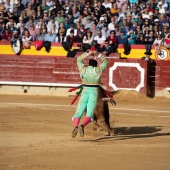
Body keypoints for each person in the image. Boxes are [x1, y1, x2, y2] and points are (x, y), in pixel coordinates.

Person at [71, 50, 109, 138]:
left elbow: (79, 59)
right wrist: (98, 54)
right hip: (94, 93)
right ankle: (82, 126)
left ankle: (76, 126)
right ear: (96, 65)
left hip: (84, 92)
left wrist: (88, 53)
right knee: (90, 114)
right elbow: (106, 62)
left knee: (78, 113)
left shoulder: (83, 69)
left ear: (88, 64)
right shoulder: (98, 70)